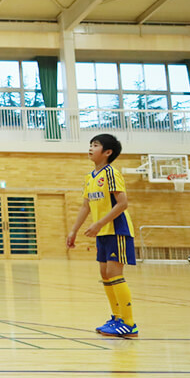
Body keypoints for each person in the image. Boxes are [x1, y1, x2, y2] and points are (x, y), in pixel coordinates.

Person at [67, 134, 138, 339]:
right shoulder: (90, 177)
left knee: (114, 273)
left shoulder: (111, 173)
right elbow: (85, 206)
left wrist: (99, 223)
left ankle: (129, 323)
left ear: (107, 152)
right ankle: (117, 318)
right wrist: (74, 231)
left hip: (117, 230)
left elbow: (122, 203)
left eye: (95, 145)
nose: (90, 148)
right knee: (105, 274)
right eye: (90, 144)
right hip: (103, 233)